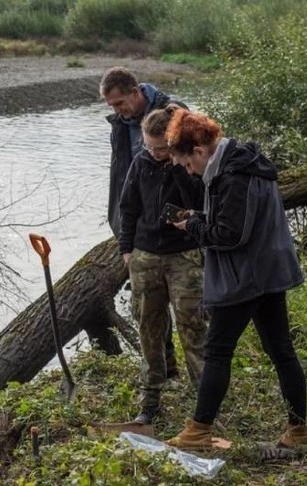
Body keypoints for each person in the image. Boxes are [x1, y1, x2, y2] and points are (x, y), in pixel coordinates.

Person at [163, 109, 307, 449]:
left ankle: (199, 430)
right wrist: (203, 216)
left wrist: (194, 226)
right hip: (267, 269)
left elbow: (231, 235)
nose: (190, 172)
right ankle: (298, 431)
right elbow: (239, 220)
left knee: (217, 351)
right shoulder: (242, 163)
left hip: (245, 276)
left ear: (199, 151)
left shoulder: (233, 175)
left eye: (187, 165)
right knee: (281, 352)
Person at [100, 66, 188, 388]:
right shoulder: (121, 124)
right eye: (111, 106)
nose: (117, 110)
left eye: (120, 103)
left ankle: (190, 379)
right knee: (149, 310)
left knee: (186, 311)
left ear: (136, 92)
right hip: (136, 227)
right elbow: (123, 178)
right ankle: (166, 372)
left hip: (173, 234)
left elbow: (194, 163)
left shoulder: (169, 112)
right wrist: (122, 232)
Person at [118, 107, 207, 425]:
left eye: (160, 148)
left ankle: (205, 404)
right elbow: (127, 208)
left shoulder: (189, 165)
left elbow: (199, 204)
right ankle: (150, 398)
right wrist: (126, 249)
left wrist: (177, 170)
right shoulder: (141, 162)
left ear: (172, 143)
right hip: (145, 255)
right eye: (148, 147)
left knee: (193, 326)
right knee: (148, 328)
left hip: (183, 255)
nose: (153, 153)